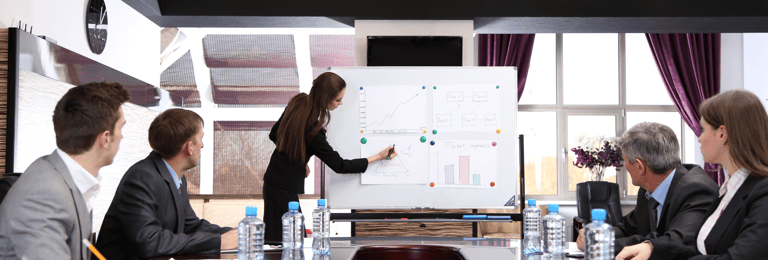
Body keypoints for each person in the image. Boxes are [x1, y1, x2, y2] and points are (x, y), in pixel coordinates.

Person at [616, 90, 768, 260]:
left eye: (703, 129)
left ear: (722, 134)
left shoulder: (762, 191)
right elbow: (701, 249)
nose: (699, 138)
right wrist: (652, 248)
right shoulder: (730, 189)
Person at [0, 82, 130, 259]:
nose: (122, 136)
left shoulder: (71, 180)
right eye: (121, 127)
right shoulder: (45, 196)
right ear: (105, 138)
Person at [263, 72, 397, 241]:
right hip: (283, 188)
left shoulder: (298, 102)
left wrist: (299, 159)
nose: (341, 103)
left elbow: (274, 134)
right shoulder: (314, 131)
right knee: (291, 242)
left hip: (272, 182)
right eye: (338, 99)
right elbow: (340, 166)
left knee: (283, 240)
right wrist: (378, 156)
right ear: (326, 97)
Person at [96, 109, 236, 259]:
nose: (202, 145)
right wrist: (218, 241)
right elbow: (150, 242)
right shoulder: (142, 177)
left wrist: (230, 234)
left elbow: (189, 225)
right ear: (189, 147)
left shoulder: (176, 176)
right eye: (201, 138)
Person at [575, 122, 718, 260]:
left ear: (639, 166)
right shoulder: (647, 189)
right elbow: (628, 227)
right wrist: (597, 236)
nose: (625, 167)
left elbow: (677, 241)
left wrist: (601, 245)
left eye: (625, 161)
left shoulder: (696, 190)